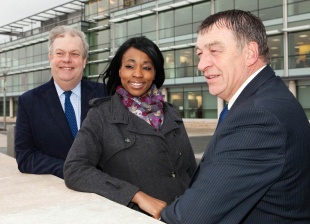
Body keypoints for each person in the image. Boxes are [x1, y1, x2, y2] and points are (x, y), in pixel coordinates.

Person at [161, 9, 310, 223]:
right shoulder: (262, 98)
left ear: (250, 53)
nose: (202, 65)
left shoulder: (258, 115)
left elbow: (192, 216)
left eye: (214, 50)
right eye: (200, 54)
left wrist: (157, 215)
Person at [64, 36, 197, 219]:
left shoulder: (171, 114)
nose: (138, 74)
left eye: (147, 67)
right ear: (119, 70)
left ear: (155, 73)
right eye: (130, 66)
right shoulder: (101, 115)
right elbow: (75, 169)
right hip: (137, 217)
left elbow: (191, 170)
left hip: (186, 214)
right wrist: (136, 195)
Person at [14, 25, 106, 179]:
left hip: (107, 191)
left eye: (75, 54)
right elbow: (25, 156)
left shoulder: (106, 95)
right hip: (59, 192)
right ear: (50, 58)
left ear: (84, 61)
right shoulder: (29, 102)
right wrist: (71, 169)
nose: (67, 59)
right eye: (60, 53)